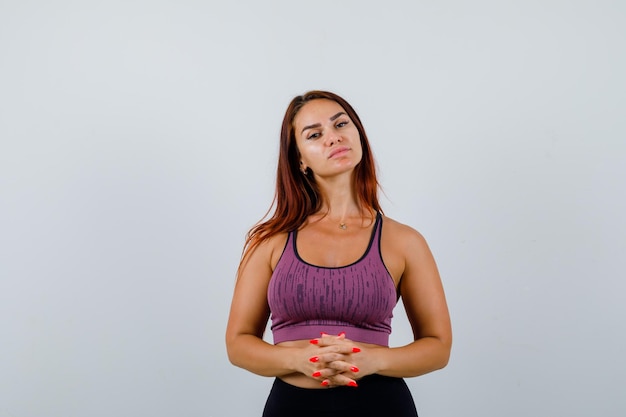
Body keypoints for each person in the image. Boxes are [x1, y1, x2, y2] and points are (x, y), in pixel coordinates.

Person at [225, 90, 452, 417]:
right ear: (299, 158)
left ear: (358, 134)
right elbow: (238, 343)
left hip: (381, 406)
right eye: (315, 134)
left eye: (341, 124)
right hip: (292, 408)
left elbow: (438, 346)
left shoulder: (404, 241)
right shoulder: (269, 241)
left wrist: (373, 359)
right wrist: (298, 359)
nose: (333, 138)